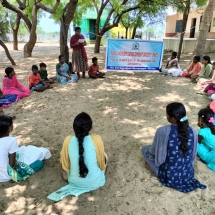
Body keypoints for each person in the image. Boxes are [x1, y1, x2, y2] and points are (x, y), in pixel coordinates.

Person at [141, 102, 206, 193]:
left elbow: (155, 155)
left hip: (168, 175)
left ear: (172, 118)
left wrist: (149, 149)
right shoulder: (193, 131)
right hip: (187, 173)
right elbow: (193, 156)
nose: (166, 116)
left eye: (167, 114)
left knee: (144, 149)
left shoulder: (162, 131)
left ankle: (152, 168)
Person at [47, 112, 107, 201]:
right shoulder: (96, 139)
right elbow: (102, 162)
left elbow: (65, 164)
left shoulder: (68, 140)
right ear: (90, 127)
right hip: (95, 182)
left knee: (67, 167)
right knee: (105, 156)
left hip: (75, 181)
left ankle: (70, 178)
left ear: (74, 127)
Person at [0, 115, 51, 182]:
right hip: (7, 175)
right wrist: (16, 172)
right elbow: (12, 165)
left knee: (18, 149)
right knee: (39, 163)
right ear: (9, 128)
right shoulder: (11, 140)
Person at [197, 107, 215, 172]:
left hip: (213, 157)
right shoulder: (213, 126)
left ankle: (203, 159)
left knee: (196, 145)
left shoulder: (202, 132)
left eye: (198, 119)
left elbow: (196, 142)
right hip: (213, 151)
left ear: (201, 120)